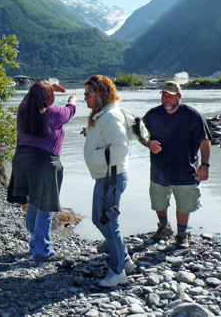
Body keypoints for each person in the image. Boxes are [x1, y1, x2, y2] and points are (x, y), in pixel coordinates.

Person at [7, 82, 78, 262]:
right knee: (45, 208)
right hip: (45, 163)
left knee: (33, 204)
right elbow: (70, 112)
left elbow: (26, 100)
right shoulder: (53, 113)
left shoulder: (23, 111)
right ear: (48, 99)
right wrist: (72, 100)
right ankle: (42, 251)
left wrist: (43, 87)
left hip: (22, 161)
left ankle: (35, 244)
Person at [82, 75, 136, 287]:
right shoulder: (104, 114)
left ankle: (117, 271)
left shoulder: (110, 115)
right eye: (85, 94)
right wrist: (90, 132)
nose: (85, 98)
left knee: (109, 223)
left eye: (88, 94)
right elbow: (107, 137)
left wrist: (93, 157)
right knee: (99, 219)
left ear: (101, 94)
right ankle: (123, 259)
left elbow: (120, 148)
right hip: (105, 176)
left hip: (110, 177)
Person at [142, 81, 211, 248]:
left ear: (179, 96)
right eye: (164, 95)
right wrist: (149, 143)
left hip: (186, 170)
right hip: (159, 170)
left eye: (170, 96)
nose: (166, 99)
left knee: (184, 205)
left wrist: (205, 165)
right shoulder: (152, 115)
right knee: (159, 203)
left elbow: (204, 141)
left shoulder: (193, 116)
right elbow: (140, 132)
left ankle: (181, 235)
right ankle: (164, 227)